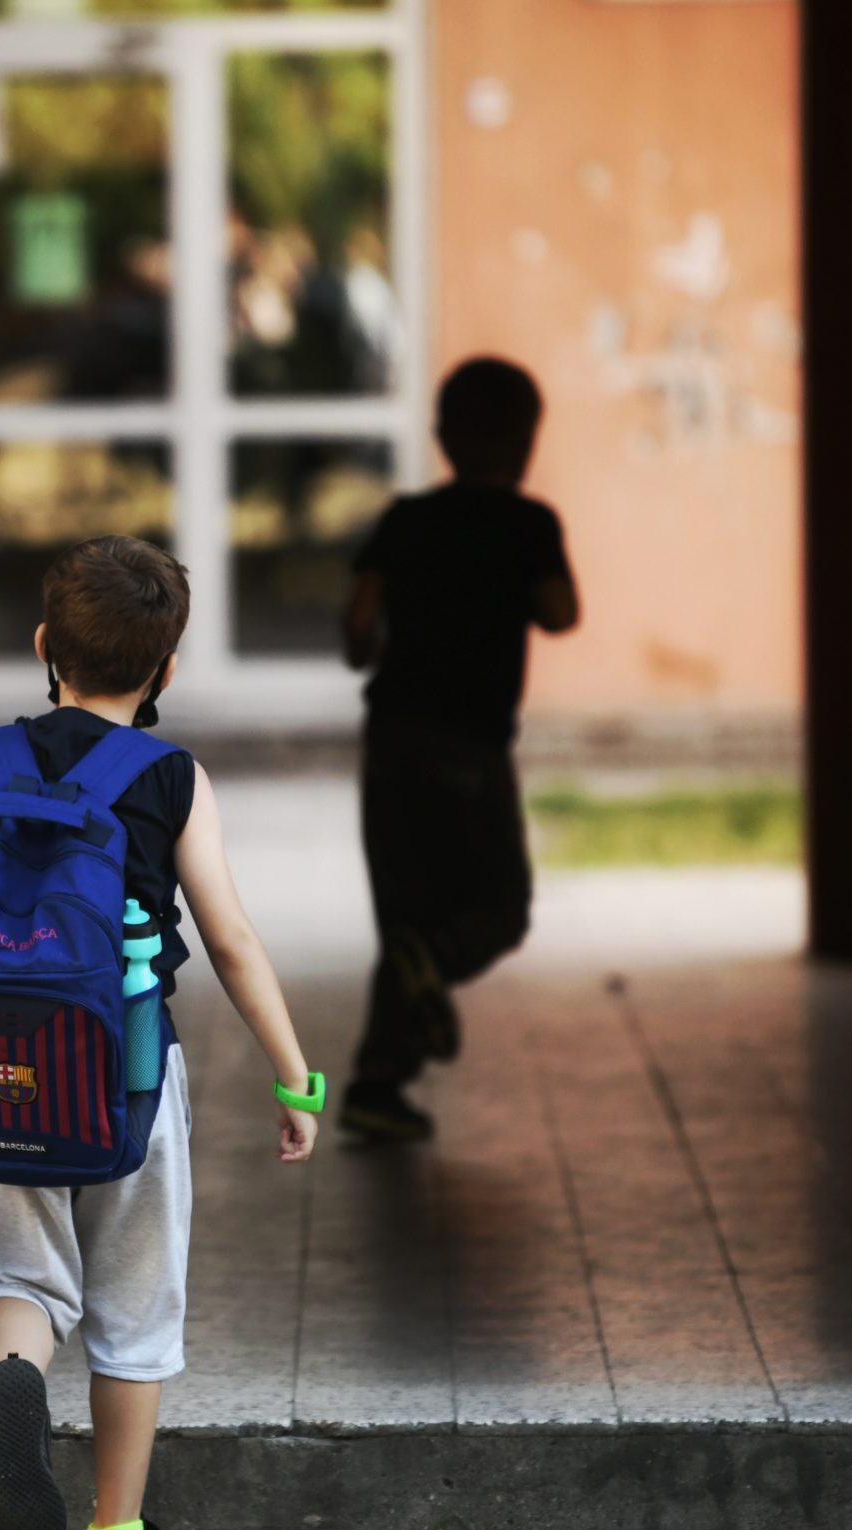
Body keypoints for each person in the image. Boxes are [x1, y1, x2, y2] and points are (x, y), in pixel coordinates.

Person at [0, 535, 319, 1530]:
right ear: (166, 670)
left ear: (40, 647)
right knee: (133, 1300)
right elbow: (234, 937)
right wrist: (294, 1076)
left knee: (14, 1277)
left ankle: (14, 1375)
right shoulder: (169, 776)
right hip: (126, 1074)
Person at [340, 357, 581, 1141]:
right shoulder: (530, 522)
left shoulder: (406, 518)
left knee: (407, 912)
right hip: (471, 747)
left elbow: (357, 629)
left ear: (443, 436)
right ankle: (427, 973)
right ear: (529, 441)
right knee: (498, 908)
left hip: (392, 741)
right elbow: (560, 612)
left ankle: (379, 1081)